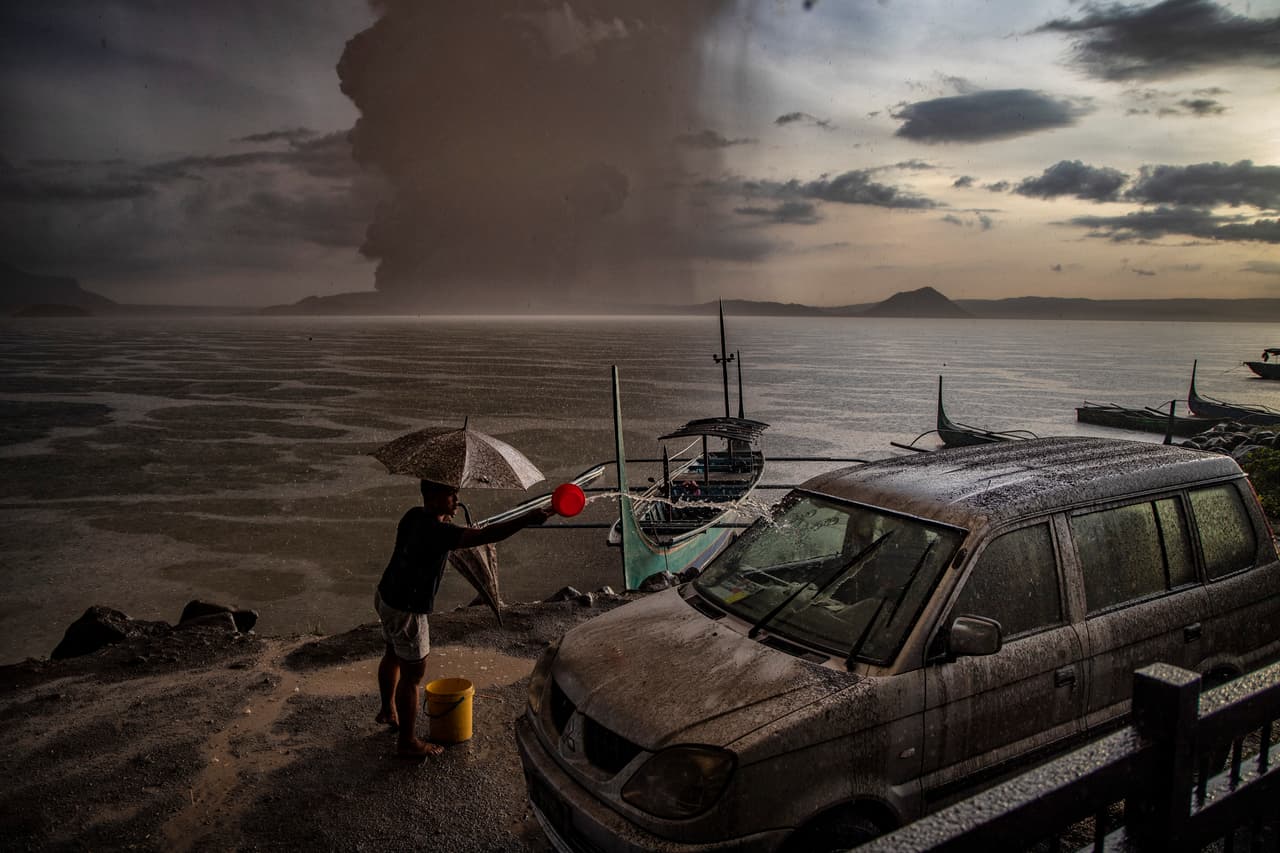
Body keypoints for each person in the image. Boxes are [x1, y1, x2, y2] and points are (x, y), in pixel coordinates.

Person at [374, 479, 554, 758]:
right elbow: (486, 536)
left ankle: (388, 710)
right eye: (451, 494)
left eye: (456, 494)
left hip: (386, 596)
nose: (456, 499)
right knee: (412, 676)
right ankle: (407, 742)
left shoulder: (413, 516)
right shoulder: (438, 532)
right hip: (407, 609)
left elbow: (444, 535)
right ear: (432, 497)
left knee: (392, 653)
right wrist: (526, 519)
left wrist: (447, 518)